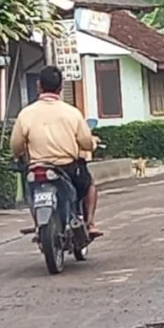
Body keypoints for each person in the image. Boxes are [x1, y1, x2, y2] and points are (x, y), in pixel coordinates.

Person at [10, 65, 102, 236]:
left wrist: (18, 155)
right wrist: (92, 144)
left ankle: (38, 224)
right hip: (66, 167)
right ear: (61, 87)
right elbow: (86, 142)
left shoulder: (26, 114)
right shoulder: (72, 113)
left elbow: (16, 145)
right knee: (89, 185)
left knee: (31, 190)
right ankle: (89, 224)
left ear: (39, 85)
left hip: (36, 168)